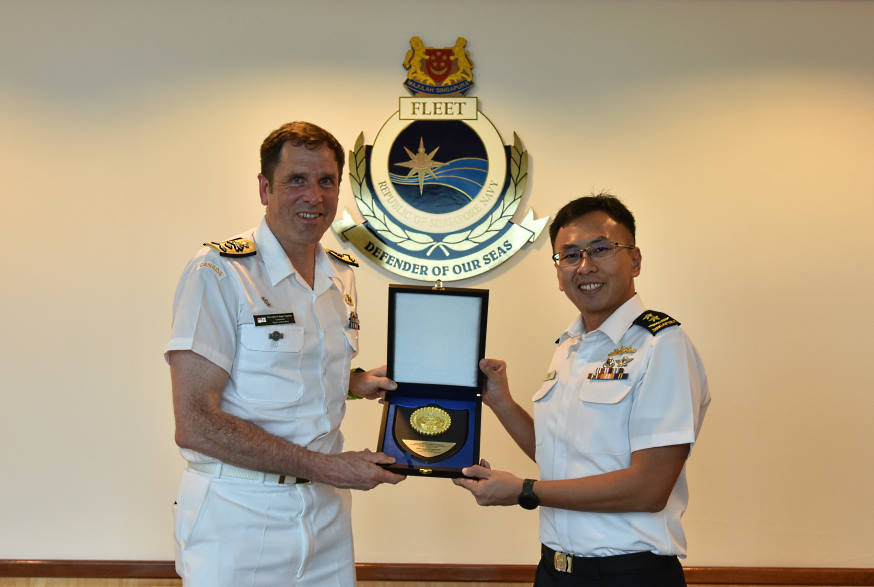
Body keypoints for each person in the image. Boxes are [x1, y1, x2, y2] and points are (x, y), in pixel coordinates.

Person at [165, 121, 405, 587]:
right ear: (264, 188)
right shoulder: (219, 272)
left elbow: (292, 368)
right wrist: (328, 466)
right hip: (238, 513)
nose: (314, 196)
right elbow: (195, 422)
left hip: (326, 514)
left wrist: (353, 383)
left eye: (326, 181)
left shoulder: (340, 273)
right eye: (296, 180)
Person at [454, 194, 710, 587]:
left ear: (635, 260)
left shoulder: (661, 345)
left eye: (601, 249)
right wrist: (502, 403)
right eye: (569, 255)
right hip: (555, 571)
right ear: (558, 272)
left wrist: (524, 491)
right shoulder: (571, 347)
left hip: (629, 575)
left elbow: (649, 488)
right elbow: (559, 454)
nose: (585, 266)